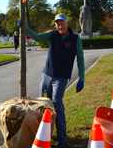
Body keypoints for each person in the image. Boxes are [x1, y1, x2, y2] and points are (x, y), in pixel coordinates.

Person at [26, 14, 85, 148]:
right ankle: (44, 135)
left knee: (57, 103)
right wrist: (25, 27)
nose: (60, 25)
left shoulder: (75, 39)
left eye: (62, 22)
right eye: (57, 23)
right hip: (47, 75)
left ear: (67, 23)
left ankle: (62, 139)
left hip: (61, 77)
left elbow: (80, 59)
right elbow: (36, 36)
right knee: (43, 104)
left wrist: (82, 77)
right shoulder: (52, 35)